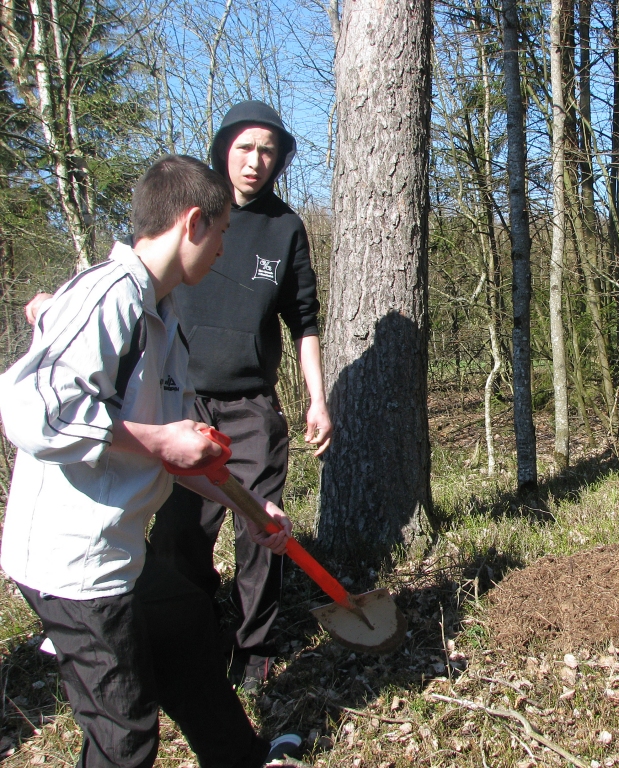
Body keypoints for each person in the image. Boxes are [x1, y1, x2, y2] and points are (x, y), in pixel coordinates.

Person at [0, 155, 301, 768]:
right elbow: (32, 411)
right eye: (220, 234)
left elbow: (175, 451)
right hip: (74, 567)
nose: (222, 250)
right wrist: (160, 443)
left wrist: (248, 507)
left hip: (122, 551)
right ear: (192, 223)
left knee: (187, 640)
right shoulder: (109, 295)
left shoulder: (159, 314)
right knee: (124, 735)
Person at [147, 101, 332, 690]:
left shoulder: (285, 229)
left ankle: (254, 652)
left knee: (261, 536)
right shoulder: (193, 216)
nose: (255, 161)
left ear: (279, 161)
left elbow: (304, 321)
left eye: (268, 151)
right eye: (245, 147)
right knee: (180, 535)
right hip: (183, 407)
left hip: (251, 407)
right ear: (224, 147)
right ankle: (191, 640)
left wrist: (317, 399)